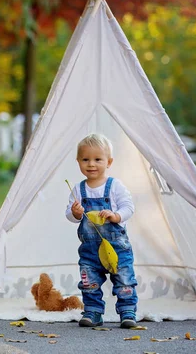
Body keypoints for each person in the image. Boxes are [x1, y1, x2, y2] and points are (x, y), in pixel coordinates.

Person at [65, 133, 138, 328]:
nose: (91, 164)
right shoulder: (78, 190)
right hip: (90, 251)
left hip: (117, 248)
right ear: (78, 162)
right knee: (89, 282)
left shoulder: (115, 186)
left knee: (124, 280)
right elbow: (70, 217)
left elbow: (129, 207)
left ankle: (127, 311)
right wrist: (76, 213)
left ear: (109, 162)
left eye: (98, 159)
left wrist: (116, 216)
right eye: (85, 159)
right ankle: (93, 311)